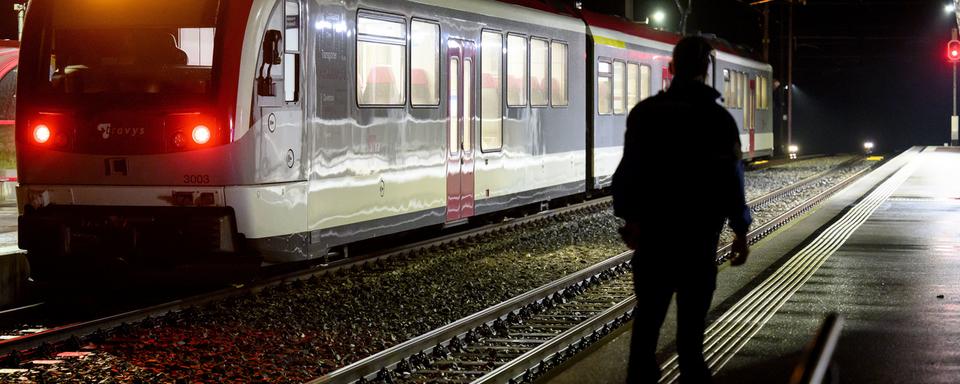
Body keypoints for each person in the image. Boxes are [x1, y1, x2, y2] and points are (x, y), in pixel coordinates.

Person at [612, 36, 752, 384]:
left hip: (655, 240)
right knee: (690, 341)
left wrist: (631, 219)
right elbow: (731, 182)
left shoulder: (645, 114)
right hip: (697, 242)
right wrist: (740, 229)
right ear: (706, 70)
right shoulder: (718, 120)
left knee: (645, 332)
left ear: (671, 68)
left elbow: (627, 173)